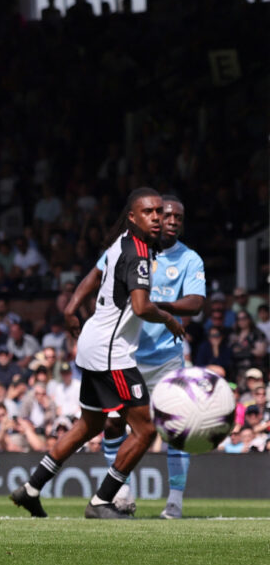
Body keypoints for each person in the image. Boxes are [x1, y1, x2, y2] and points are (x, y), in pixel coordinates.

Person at [10, 188, 185, 519]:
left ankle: (31, 488)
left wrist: (73, 305)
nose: (158, 218)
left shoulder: (121, 241)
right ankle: (102, 501)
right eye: (149, 212)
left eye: (160, 212)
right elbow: (141, 306)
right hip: (110, 351)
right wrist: (168, 319)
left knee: (89, 424)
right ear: (132, 217)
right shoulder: (138, 253)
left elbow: (96, 273)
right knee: (146, 431)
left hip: (94, 342)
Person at [96, 196, 206, 518]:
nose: (171, 221)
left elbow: (197, 303)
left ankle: (175, 501)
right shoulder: (129, 248)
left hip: (166, 358)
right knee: (114, 422)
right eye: (166, 214)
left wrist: (160, 308)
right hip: (125, 352)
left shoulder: (190, 259)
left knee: (177, 427)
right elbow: (99, 277)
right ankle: (122, 493)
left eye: (178, 218)